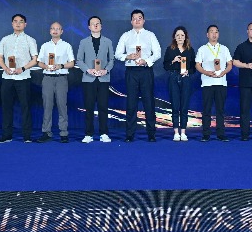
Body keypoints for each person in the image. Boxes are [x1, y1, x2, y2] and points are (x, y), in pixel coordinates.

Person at [115, 9, 161, 142]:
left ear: (143, 20)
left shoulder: (150, 35)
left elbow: (157, 53)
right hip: (131, 72)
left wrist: (146, 61)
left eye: (139, 18)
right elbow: (117, 54)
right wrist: (128, 56)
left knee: (149, 102)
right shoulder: (125, 36)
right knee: (131, 103)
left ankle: (151, 134)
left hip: (146, 71)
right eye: (134, 18)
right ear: (131, 21)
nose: (137, 20)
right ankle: (130, 134)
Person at [0, 14, 38, 143]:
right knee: (6, 107)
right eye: (15, 21)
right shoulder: (5, 39)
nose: (18, 23)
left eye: (21, 21)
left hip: (23, 77)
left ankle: (27, 136)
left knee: (25, 107)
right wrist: (5, 68)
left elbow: (35, 59)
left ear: (25, 24)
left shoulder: (30, 40)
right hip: (7, 77)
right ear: (12, 24)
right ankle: (6, 135)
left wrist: (23, 68)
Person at [76, 16, 114, 143]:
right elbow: (79, 60)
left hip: (103, 78)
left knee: (103, 106)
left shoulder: (108, 41)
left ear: (101, 26)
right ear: (89, 27)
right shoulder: (83, 42)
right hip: (89, 78)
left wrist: (106, 70)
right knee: (89, 107)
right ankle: (88, 134)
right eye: (93, 24)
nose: (96, 25)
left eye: (98, 23)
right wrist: (88, 70)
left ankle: (104, 133)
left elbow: (112, 60)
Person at [36, 22, 75, 143]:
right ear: (50, 31)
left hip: (61, 77)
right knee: (47, 105)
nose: (55, 30)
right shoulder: (45, 46)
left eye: (58, 29)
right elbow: (39, 62)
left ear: (61, 31)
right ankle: (46, 132)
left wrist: (60, 66)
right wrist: (46, 66)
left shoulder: (67, 46)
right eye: (53, 28)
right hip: (47, 77)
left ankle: (63, 133)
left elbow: (72, 63)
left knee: (62, 105)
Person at [195, 24, 233, 142]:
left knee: (220, 110)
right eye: (211, 32)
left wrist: (223, 72)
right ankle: (206, 134)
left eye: (216, 32)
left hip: (221, 82)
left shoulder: (224, 48)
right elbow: (197, 65)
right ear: (207, 35)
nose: (214, 34)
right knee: (206, 109)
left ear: (218, 34)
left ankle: (221, 134)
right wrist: (206, 72)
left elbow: (230, 64)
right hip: (207, 83)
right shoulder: (202, 49)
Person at [163, 26, 196, 142]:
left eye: (182, 35)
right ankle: (176, 132)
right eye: (178, 35)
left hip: (185, 78)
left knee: (184, 106)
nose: (180, 37)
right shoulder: (170, 49)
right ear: (174, 37)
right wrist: (173, 61)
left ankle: (183, 132)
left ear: (185, 37)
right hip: (173, 77)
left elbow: (194, 67)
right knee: (175, 105)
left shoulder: (190, 50)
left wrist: (188, 72)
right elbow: (165, 66)